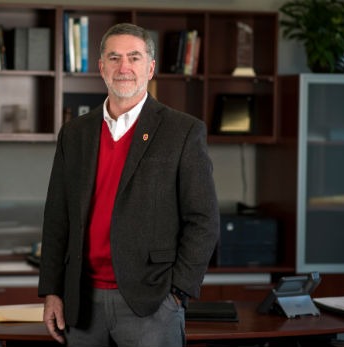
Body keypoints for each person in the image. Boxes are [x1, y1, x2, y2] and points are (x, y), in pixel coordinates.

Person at [38, 23, 220, 347]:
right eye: (114, 58)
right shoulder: (75, 133)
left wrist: (178, 292)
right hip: (82, 302)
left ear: (150, 68)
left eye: (134, 58)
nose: (124, 67)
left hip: (152, 303)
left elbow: (203, 220)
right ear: (101, 67)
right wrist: (52, 291)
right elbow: (57, 218)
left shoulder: (182, 131)